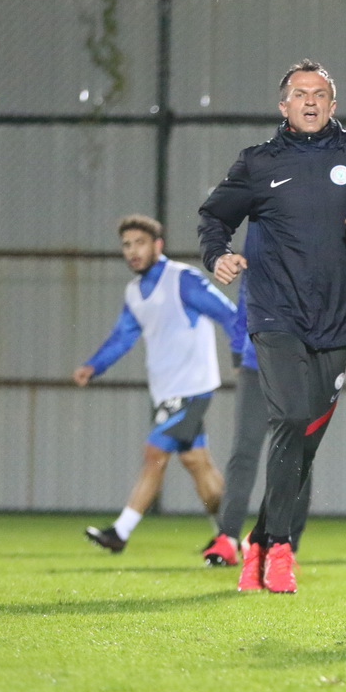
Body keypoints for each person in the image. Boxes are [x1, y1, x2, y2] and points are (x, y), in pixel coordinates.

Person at [198, 59, 346, 594]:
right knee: (290, 416)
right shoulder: (258, 163)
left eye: (319, 94)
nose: (310, 101)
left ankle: (259, 543)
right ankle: (282, 548)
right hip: (274, 314)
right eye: (299, 93)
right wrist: (217, 254)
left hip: (336, 319)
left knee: (305, 437)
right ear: (283, 105)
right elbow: (215, 216)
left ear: (332, 105)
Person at [75, 215, 238, 554]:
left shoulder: (182, 279)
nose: (132, 251)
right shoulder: (134, 292)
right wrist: (94, 366)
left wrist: (243, 356)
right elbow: (122, 336)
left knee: (154, 453)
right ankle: (231, 537)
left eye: (140, 243)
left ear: (158, 245)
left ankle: (120, 532)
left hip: (192, 388)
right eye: (126, 245)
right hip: (166, 391)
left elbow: (228, 313)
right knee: (197, 463)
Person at [199, 274, 311, 566]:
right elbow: (243, 306)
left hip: (299, 364)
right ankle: (227, 538)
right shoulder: (259, 249)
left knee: (297, 455)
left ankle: (285, 546)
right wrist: (238, 354)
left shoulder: (313, 249)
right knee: (244, 453)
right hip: (255, 363)